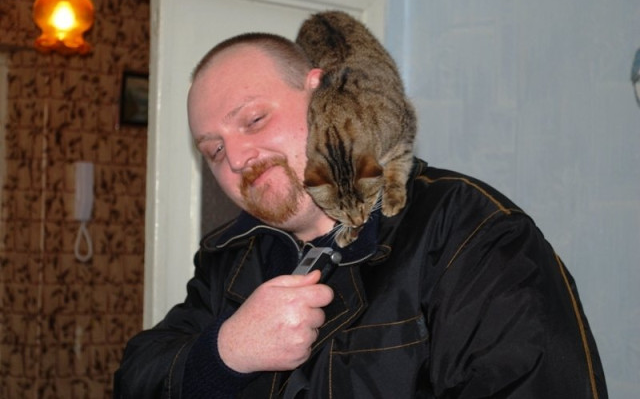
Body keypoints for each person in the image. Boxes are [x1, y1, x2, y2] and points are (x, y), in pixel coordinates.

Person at [114, 29, 608, 398]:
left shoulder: (468, 231)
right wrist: (226, 351)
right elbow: (137, 377)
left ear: (321, 93)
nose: (238, 158)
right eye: (215, 150)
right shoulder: (230, 256)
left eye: (254, 119)